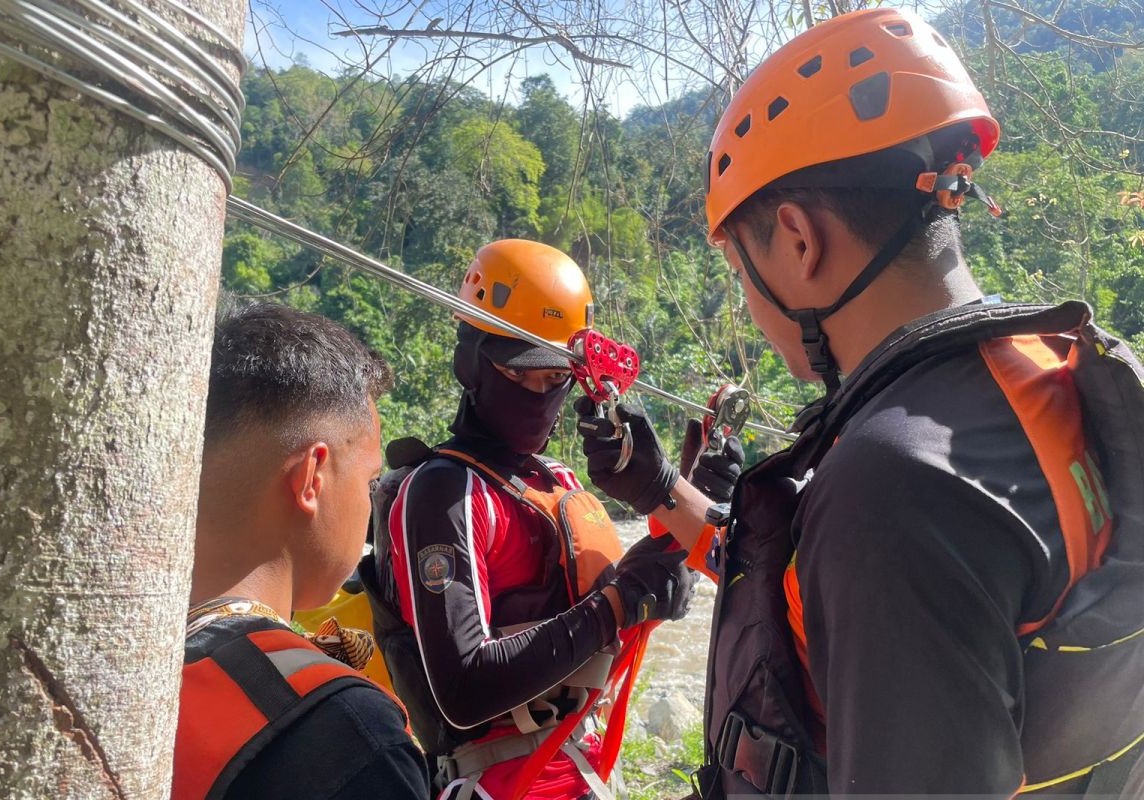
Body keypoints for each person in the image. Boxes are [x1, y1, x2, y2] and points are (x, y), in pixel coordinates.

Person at [576, 8, 1144, 798]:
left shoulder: (893, 484)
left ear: (800, 241)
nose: (748, 303)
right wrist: (662, 492)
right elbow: (819, 596)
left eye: (744, 272)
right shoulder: (1048, 372)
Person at [362, 239, 698, 800]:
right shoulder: (445, 490)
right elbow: (464, 686)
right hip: (501, 783)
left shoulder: (559, 479)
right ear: (472, 358)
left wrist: (686, 495)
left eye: (554, 379)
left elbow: (598, 603)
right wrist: (618, 605)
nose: (541, 394)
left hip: (582, 769)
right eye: (521, 375)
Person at [173, 302, 431, 800]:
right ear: (312, 477)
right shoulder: (348, 734)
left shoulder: (108, 645)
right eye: (371, 480)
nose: (370, 506)